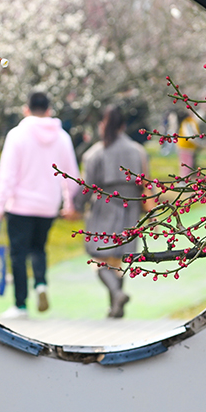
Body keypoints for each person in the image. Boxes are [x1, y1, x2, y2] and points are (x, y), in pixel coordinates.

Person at [0, 91, 79, 319]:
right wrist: (70, 203)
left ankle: (20, 305)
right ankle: (41, 283)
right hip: (48, 205)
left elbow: (7, 174)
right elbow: (71, 174)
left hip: (20, 205)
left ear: (26, 109)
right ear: (49, 111)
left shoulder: (17, 135)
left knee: (18, 255)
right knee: (39, 248)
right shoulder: (62, 137)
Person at [74, 106, 150, 318]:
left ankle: (116, 294)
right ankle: (116, 306)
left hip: (104, 206)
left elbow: (87, 185)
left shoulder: (95, 153)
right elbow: (146, 181)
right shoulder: (138, 151)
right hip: (131, 207)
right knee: (118, 258)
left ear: (102, 125)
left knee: (98, 256)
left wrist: (76, 205)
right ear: (123, 126)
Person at [175, 110, 199, 177]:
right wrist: (199, 144)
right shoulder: (188, 122)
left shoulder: (191, 121)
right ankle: (184, 182)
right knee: (186, 166)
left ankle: (185, 181)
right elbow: (190, 136)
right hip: (185, 146)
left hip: (187, 147)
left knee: (187, 165)